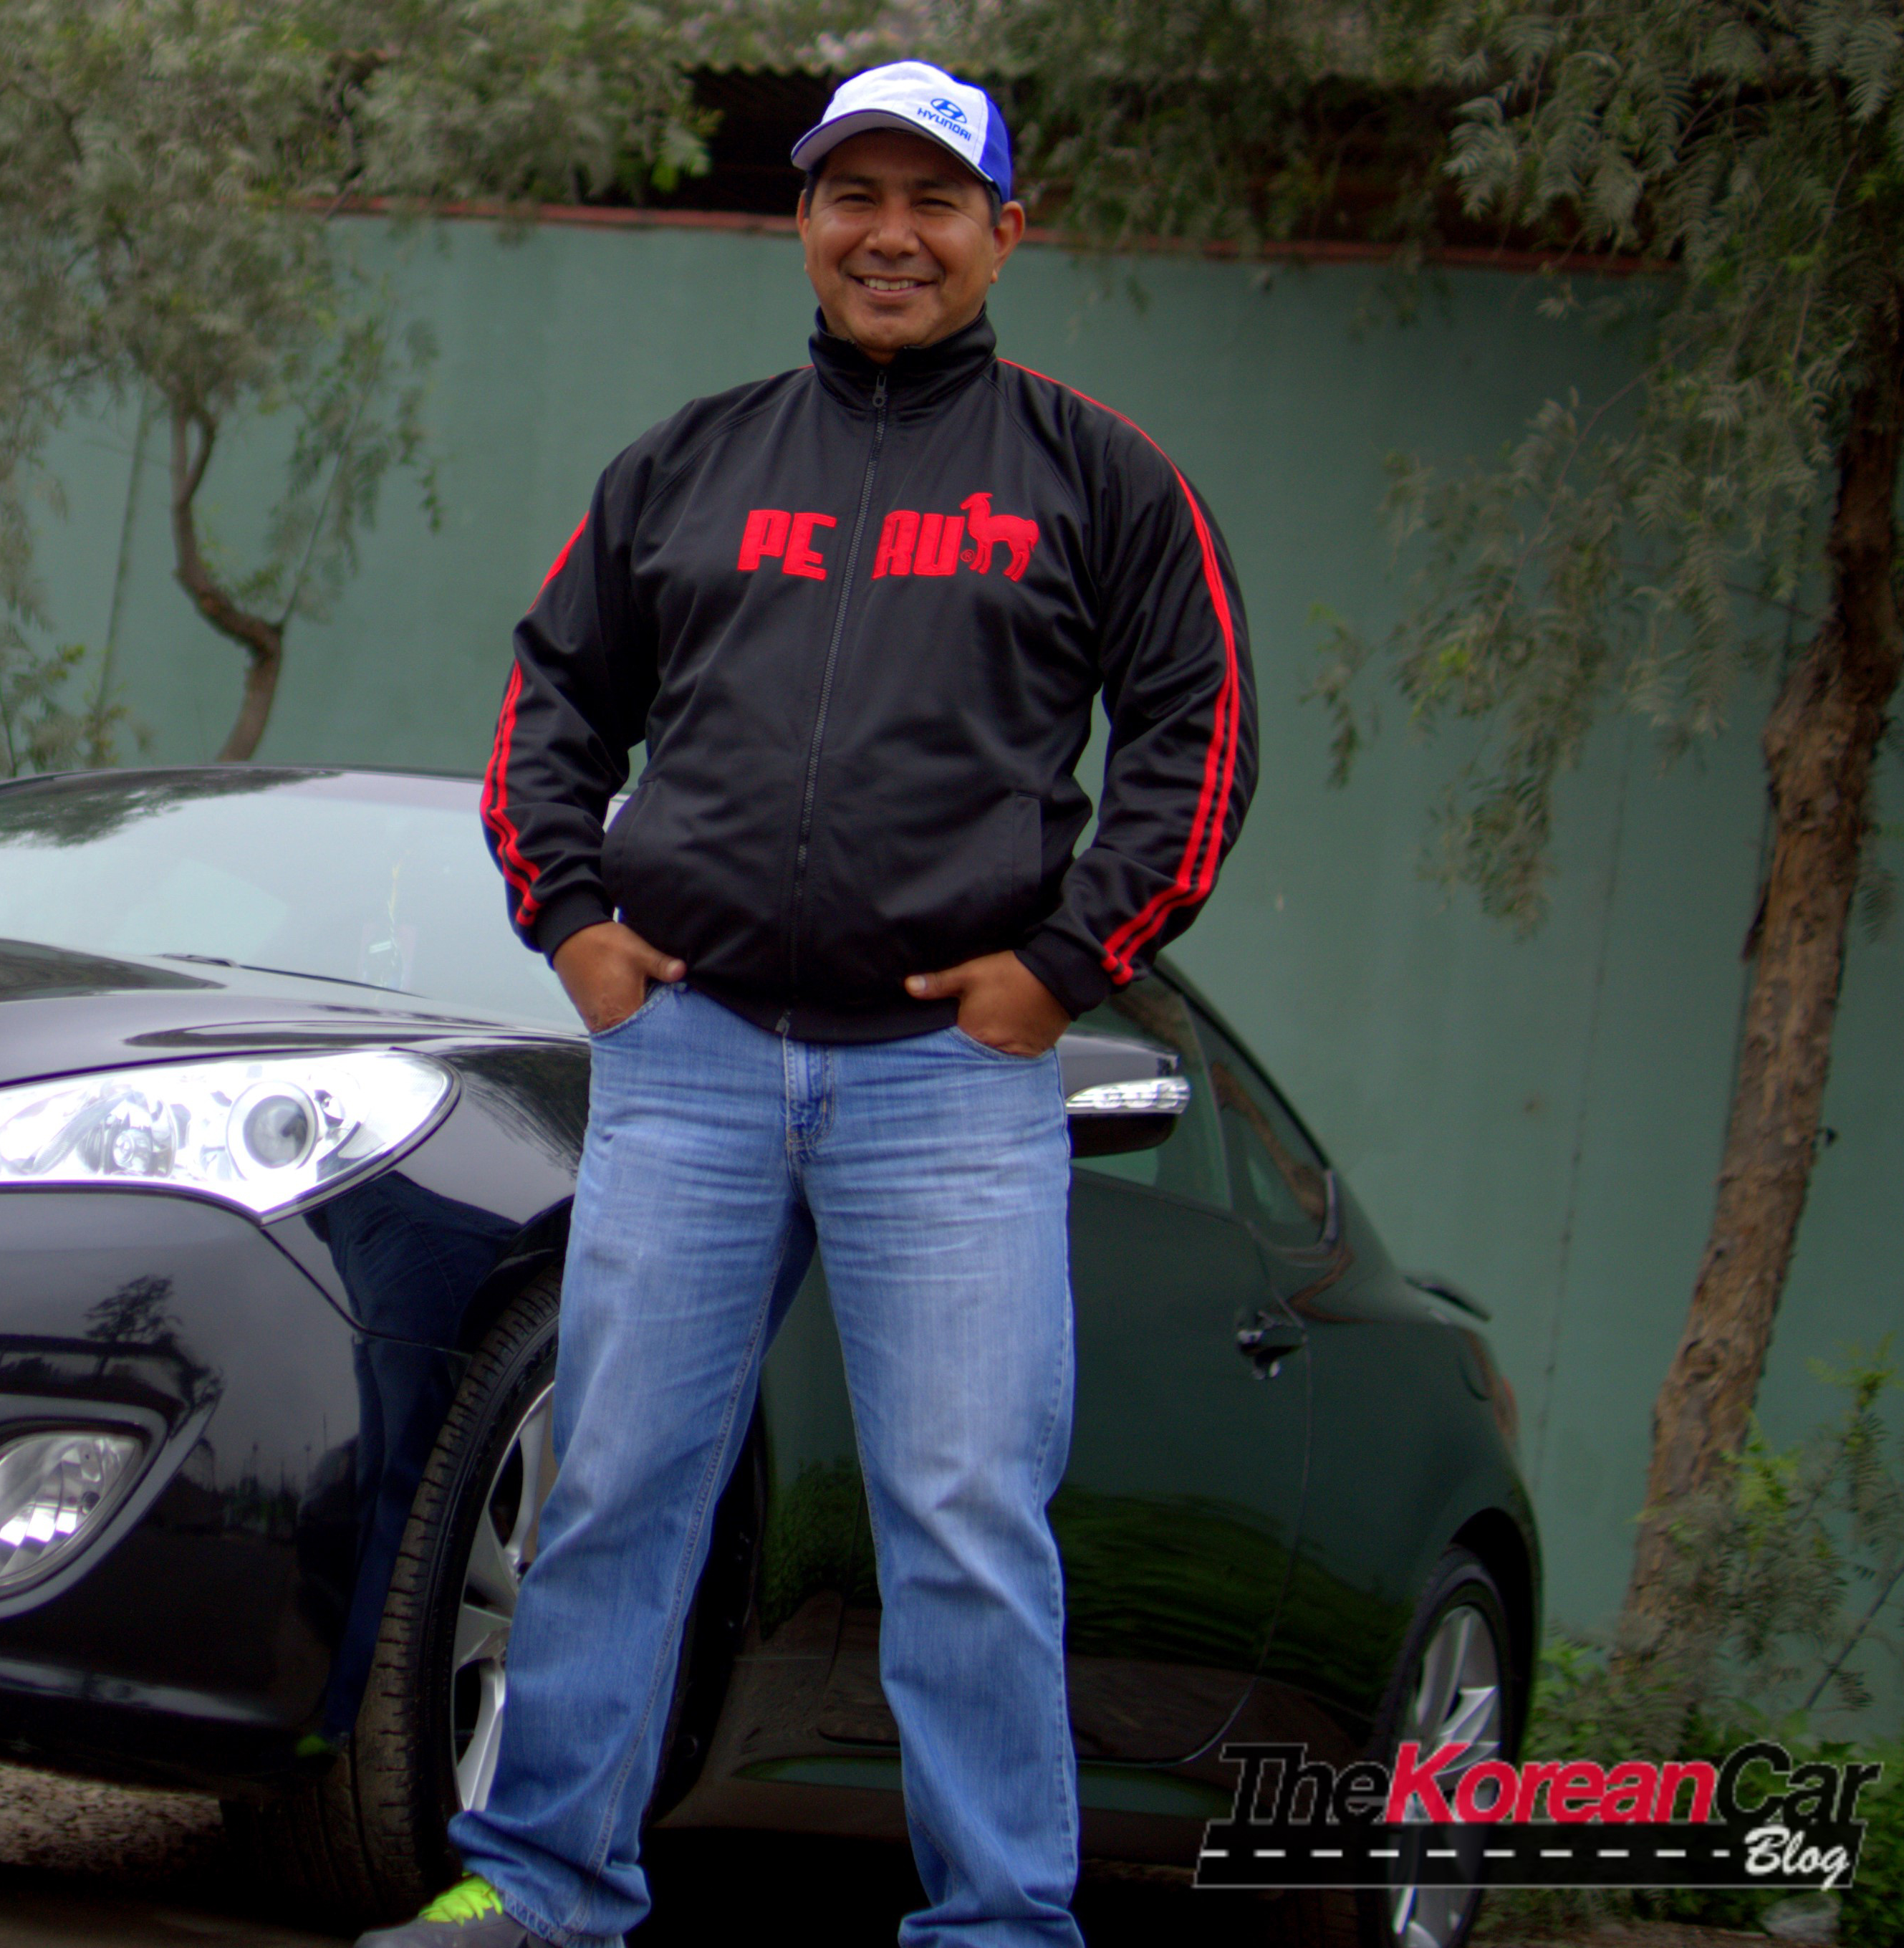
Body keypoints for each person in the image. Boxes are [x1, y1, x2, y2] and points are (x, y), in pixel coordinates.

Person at [364, 58, 1259, 1948]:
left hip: (947, 1082)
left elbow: (1199, 739)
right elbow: (549, 707)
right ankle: (541, 1890)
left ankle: (999, 1926)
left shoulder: (1098, 475)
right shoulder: (688, 464)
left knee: (963, 1519)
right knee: (616, 1487)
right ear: (803, 223)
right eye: (855, 196)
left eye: (934, 202)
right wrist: (577, 927)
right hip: (689, 1066)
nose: (890, 236)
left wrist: (1060, 969)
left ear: (1005, 234)